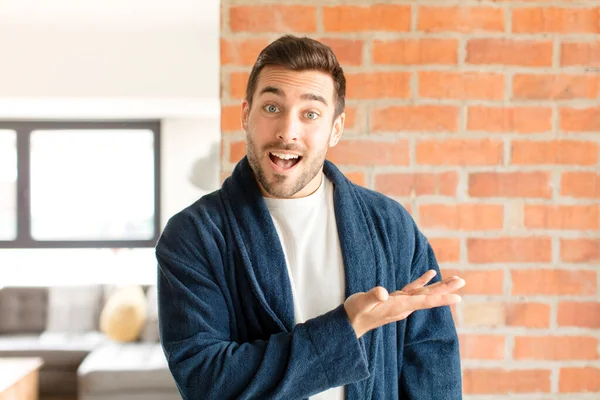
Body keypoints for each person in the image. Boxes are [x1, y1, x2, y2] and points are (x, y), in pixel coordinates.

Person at [156, 34, 465, 400]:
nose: (288, 131)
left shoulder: (389, 225)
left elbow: (432, 370)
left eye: (310, 114)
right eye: (272, 108)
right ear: (245, 114)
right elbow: (205, 381)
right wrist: (347, 328)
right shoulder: (194, 235)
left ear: (335, 128)